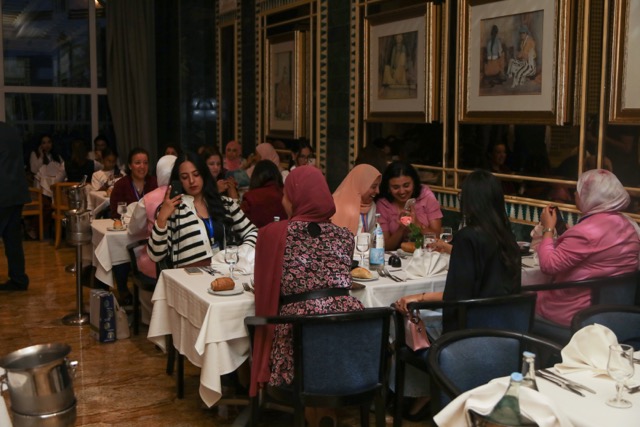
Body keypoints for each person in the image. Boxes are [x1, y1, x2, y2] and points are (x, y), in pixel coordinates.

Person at [394, 170, 521, 420]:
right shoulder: (508, 238)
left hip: (466, 338)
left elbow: (455, 298)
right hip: (506, 336)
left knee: (400, 324)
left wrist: (417, 299)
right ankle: (432, 395)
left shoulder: (468, 237)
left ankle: (422, 395)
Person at [249, 166, 364, 426]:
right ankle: (327, 417)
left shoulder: (273, 233)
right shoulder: (345, 236)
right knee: (323, 346)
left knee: (308, 339)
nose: (282, 200)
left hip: (299, 337)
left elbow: (265, 289)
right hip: (349, 335)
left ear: (295, 198)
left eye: (286, 194)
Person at [535, 169, 640, 326]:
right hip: (615, 311)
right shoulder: (628, 225)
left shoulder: (585, 232)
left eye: (579, 191)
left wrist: (548, 228)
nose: (575, 194)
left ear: (592, 197)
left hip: (575, 313)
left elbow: (549, 265)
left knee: (524, 298)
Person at [147, 152, 258, 268]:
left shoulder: (225, 203)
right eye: (184, 177)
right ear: (178, 181)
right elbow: (155, 256)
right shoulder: (172, 209)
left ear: (204, 175)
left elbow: (253, 232)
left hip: (224, 272)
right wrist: (161, 219)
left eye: (196, 174)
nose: (191, 181)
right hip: (188, 275)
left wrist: (241, 253)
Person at [376, 161, 443, 250]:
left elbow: (437, 238)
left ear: (414, 183)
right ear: (388, 188)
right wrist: (401, 228)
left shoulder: (426, 196)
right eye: (396, 187)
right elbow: (385, 247)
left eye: (406, 185)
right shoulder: (383, 204)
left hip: (427, 254)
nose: (402, 191)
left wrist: (417, 224)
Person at [0, 122, 31, 291]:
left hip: (2, 193)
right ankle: (19, 279)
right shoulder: (10, 130)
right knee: (13, 240)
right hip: (17, 192)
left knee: (12, 239)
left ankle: (18, 278)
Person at [331, 164, 381, 235]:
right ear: (361, 185)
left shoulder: (372, 206)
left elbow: (372, 234)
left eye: (378, 186)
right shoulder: (334, 204)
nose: (378, 191)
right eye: (374, 187)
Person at [109, 148, 157, 219]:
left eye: (145, 163)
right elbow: (116, 214)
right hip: (126, 224)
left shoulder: (155, 183)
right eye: (138, 163)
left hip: (151, 224)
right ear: (130, 166)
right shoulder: (121, 185)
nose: (142, 166)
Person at [240, 160, 288, 228]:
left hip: (257, 234)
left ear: (255, 177)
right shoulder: (286, 194)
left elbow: (241, 224)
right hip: (283, 233)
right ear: (277, 175)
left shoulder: (249, 197)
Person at [30, 134, 66, 198]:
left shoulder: (56, 155)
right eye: (44, 143)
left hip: (55, 181)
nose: (47, 145)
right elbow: (34, 170)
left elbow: (63, 168)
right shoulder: (35, 154)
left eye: (49, 142)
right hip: (41, 183)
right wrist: (41, 156)